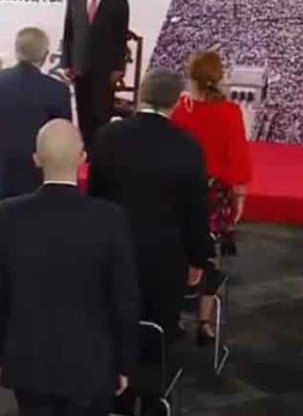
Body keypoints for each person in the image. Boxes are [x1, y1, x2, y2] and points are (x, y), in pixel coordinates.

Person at [0, 119, 138, 416]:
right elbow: (124, 300)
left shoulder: (5, 217)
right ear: (83, 159)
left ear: (36, 159)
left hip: (28, 359)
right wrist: (123, 364)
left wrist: (1, 354)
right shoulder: (110, 219)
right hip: (92, 365)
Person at [89, 69, 212, 334]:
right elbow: (196, 209)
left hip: (113, 250)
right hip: (165, 260)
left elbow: (95, 198)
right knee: (159, 331)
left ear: (141, 94)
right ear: (177, 102)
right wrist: (198, 258)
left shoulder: (107, 136)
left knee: (111, 326)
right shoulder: (188, 146)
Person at [171, 51, 252, 344]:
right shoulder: (230, 112)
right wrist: (239, 197)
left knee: (178, 251)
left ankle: (175, 316)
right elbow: (238, 156)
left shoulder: (179, 110)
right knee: (210, 254)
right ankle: (204, 323)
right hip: (216, 196)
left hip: (180, 193)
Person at [0, 27, 72, 200]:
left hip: (1, 172)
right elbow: (63, 139)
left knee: (1, 216)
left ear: (17, 51)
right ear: (45, 55)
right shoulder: (57, 90)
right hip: (40, 176)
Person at [62, 0, 130, 147]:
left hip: (106, 69)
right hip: (80, 66)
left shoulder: (118, 0)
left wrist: (119, 67)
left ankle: (101, 150)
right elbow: (68, 33)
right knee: (84, 113)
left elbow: (121, 37)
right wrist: (67, 63)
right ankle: (86, 149)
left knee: (102, 113)